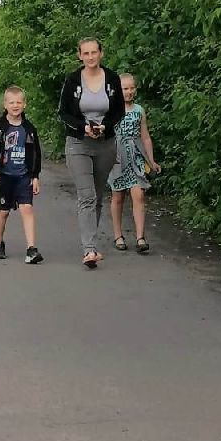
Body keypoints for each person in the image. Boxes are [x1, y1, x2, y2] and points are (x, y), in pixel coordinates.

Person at [58, 37, 124, 268]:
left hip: (105, 144)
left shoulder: (112, 79)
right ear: (80, 56)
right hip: (79, 144)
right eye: (85, 53)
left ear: (101, 53)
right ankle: (89, 250)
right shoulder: (73, 80)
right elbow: (63, 112)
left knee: (97, 196)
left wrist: (105, 126)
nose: (90, 57)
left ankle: (92, 243)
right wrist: (83, 127)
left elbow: (119, 111)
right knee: (87, 196)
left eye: (94, 52)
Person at [0, 86, 43, 264]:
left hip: (24, 176)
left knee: (27, 208)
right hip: (4, 176)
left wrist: (35, 176)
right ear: (5, 104)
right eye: (11, 102)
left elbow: (36, 154)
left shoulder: (29, 129)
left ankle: (31, 249)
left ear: (24, 104)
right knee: (3, 212)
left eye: (19, 102)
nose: (15, 106)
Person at [109, 73, 162, 253]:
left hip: (136, 155)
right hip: (117, 156)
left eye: (132, 88)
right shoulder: (111, 110)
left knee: (138, 194)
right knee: (118, 196)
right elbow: (106, 135)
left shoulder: (139, 110)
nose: (129, 92)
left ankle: (140, 237)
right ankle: (118, 235)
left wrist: (151, 160)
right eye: (125, 88)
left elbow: (145, 136)